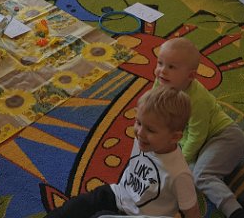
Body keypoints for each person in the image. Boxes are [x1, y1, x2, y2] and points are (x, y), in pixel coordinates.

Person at [45, 86, 201, 218]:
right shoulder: (143, 140)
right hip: (121, 195)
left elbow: (192, 212)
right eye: (138, 122)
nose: (140, 132)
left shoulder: (179, 174)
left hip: (142, 215)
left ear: (174, 137)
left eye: (150, 130)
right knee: (76, 206)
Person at [154, 38, 244, 218]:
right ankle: (216, 173)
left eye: (171, 67)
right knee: (185, 173)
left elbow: (197, 136)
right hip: (199, 142)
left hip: (225, 138)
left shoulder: (197, 99)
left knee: (200, 176)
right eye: (160, 63)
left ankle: (236, 211)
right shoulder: (162, 81)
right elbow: (154, 106)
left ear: (190, 76)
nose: (162, 71)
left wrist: (181, 159)